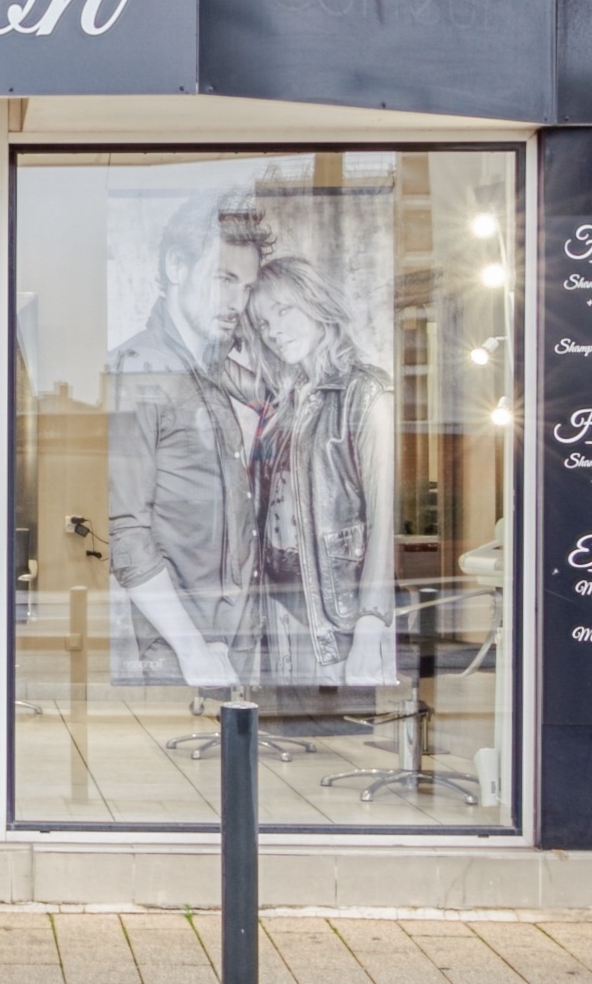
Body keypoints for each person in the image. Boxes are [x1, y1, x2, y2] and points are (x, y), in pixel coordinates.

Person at [106, 195, 271, 688]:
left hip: (232, 634)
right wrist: (191, 645)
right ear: (177, 266)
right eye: (224, 279)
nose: (237, 303)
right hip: (182, 644)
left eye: (247, 287)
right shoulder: (138, 370)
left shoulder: (211, 369)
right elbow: (127, 531)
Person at [243, 253, 398, 688]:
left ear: (316, 305)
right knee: (288, 742)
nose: (272, 331)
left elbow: (384, 521)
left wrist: (371, 622)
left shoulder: (365, 391)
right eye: (262, 323)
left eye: (283, 310)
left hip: (335, 611)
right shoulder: (283, 402)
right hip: (277, 604)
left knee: (331, 741)